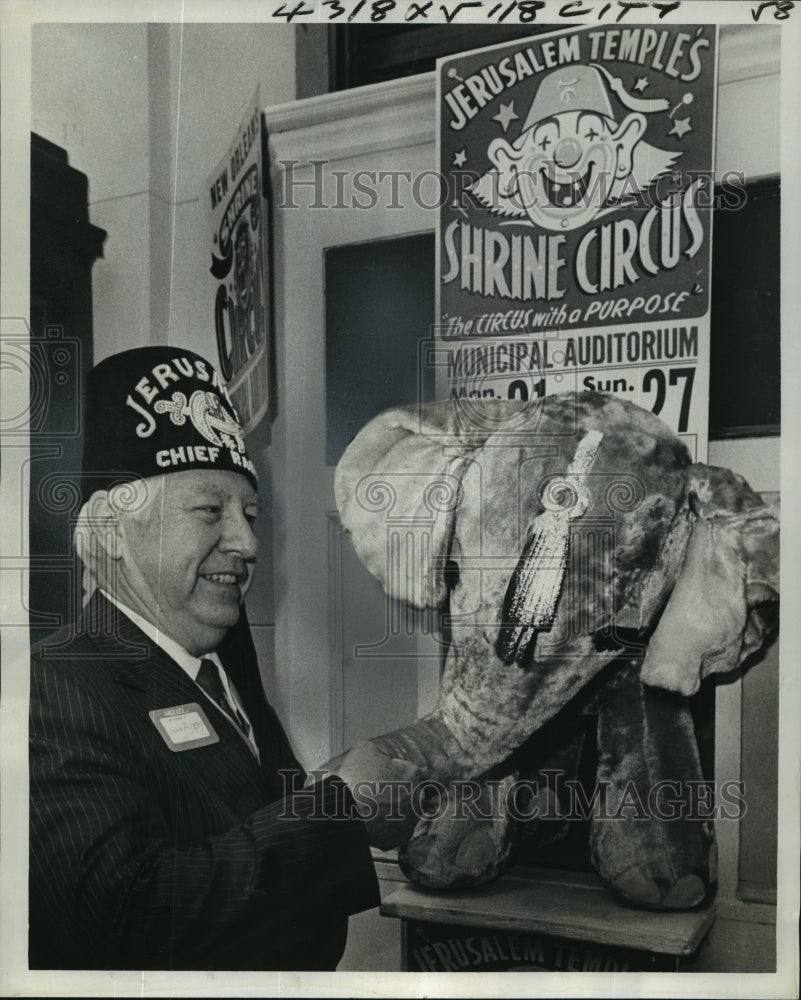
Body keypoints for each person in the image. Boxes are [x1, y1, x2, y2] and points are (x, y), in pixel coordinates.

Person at [28, 346, 385, 971]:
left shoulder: (220, 677)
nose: (246, 543)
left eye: (249, 514)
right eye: (209, 510)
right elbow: (121, 919)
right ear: (113, 530)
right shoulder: (57, 687)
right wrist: (337, 809)